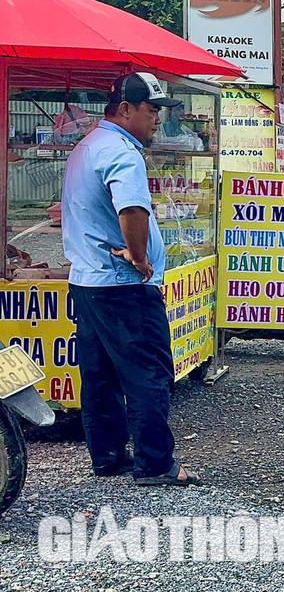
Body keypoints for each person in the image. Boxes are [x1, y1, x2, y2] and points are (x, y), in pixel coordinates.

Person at [61, 72, 200, 486]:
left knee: (100, 375)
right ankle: (155, 463)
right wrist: (139, 257)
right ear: (125, 109)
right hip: (122, 285)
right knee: (148, 373)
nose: (158, 118)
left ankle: (107, 456)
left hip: (88, 281)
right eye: (152, 109)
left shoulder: (86, 146)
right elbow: (132, 210)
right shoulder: (123, 152)